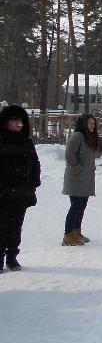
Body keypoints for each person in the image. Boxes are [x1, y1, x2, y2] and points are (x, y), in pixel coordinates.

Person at [0, 105, 41, 271]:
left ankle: (12, 257)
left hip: (21, 193)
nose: (19, 124)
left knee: (16, 226)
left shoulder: (27, 142)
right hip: (3, 193)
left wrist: (33, 185)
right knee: (1, 227)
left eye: (21, 120)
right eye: (14, 120)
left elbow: (35, 166)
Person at [62, 114, 99, 246]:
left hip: (86, 178)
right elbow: (69, 154)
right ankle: (67, 235)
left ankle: (76, 232)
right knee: (76, 206)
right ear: (83, 124)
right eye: (89, 123)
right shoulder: (77, 136)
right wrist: (79, 169)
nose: (92, 126)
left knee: (82, 206)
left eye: (93, 124)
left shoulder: (89, 138)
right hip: (76, 178)